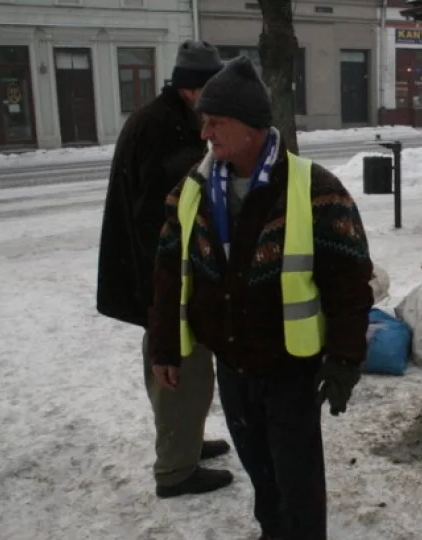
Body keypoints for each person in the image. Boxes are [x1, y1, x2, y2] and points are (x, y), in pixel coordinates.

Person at [147, 56, 374, 539]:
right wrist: (166, 347)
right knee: (261, 474)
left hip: (290, 368)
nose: (204, 132)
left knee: (298, 481)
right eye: (203, 121)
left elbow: (350, 281)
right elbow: (169, 273)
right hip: (232, 364)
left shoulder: (315, 189)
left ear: (252, 127)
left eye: (216, 122)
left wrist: (345, 360)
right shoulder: (195, 188)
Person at [96, 40, 234, 499]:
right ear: (194, 90)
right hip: (164, 277)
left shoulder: (167, 118)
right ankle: (176, 470)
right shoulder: (163, 129)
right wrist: (178, 276)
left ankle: (184, 443)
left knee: (180, 365)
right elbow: (161, 217)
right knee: (179, 363)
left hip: (158, 274)